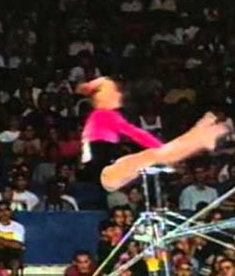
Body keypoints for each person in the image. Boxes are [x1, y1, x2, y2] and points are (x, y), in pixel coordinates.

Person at [78, 77, 227, 191]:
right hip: (105, 173)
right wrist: (160, 148)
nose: (119, 94)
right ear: (100, 97)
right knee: (153, 155)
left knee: (153, 156)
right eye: (114, 91)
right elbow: (136, 133)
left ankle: (198, 138)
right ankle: (198, 138)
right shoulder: (103, 115)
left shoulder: (98, 117)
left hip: (107, 172)